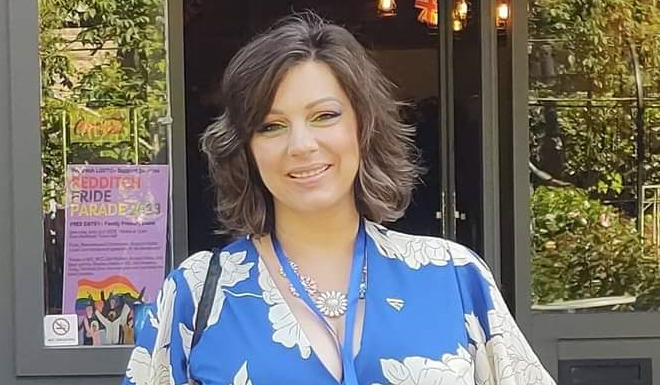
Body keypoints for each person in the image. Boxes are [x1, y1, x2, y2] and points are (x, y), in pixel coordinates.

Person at [123, 12, 556, 385]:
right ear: (246, 149)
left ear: (363, 127)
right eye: (271, 126)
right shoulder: (196, 293)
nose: (302, 144)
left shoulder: (454, 278)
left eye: (324, 116)